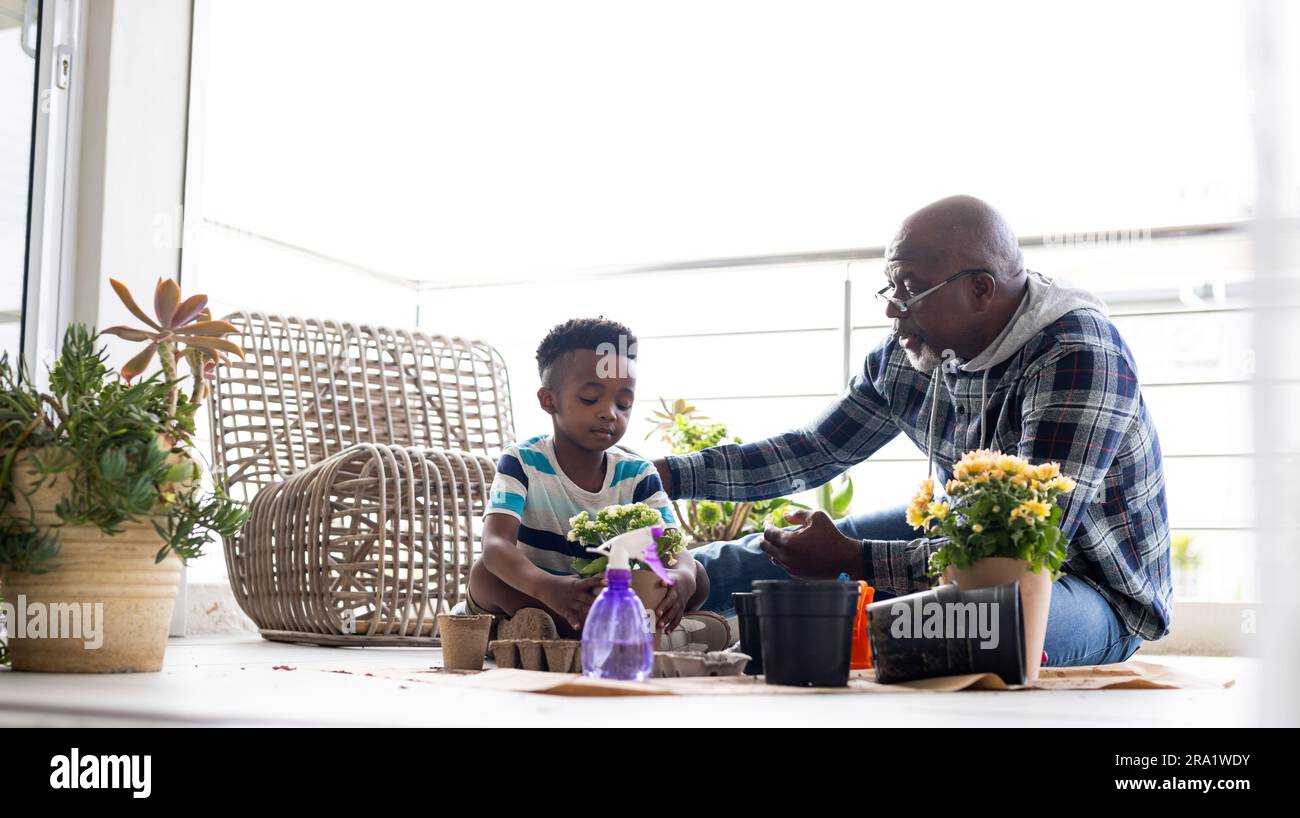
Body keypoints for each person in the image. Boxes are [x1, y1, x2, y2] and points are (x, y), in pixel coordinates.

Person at [653, 195, 1171, 667]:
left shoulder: (1079, 357)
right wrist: (660, 476)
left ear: (981, 290)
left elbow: (1024, 553)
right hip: (958, 535)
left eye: (910, 288)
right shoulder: (915, 348)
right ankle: (637, 597)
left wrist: (853, 560)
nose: (890, 307)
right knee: (763, 553)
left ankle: (754, 641)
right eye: (890, 286)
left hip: (1086, 589)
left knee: (938, 631)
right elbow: (812, 450)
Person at [464, 318, 709, 639]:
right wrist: (547, 586)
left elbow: (672, 546)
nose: (610, 412)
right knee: (485, 573)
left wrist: (684, 577)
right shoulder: (522, 461)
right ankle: (535, 626)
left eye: (624, 403)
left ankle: (567, 633)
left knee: (699, 575)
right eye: (591, 399)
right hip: (536, 591)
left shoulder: (638, 474)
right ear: (548, 400)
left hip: (605, 595)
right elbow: (496, 543)